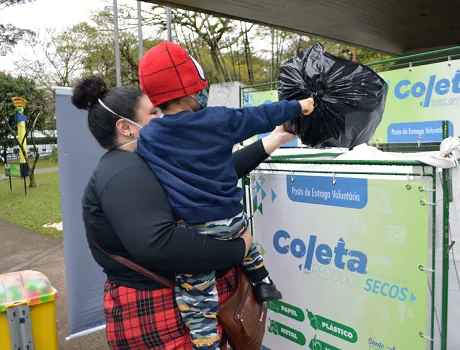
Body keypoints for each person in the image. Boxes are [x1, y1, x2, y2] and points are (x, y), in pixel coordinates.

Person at [72, 75, 298, 349]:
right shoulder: (122, 172)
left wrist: (271, 141)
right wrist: (239, 249)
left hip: (182, 301)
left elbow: (208, 181)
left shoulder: (145, 159)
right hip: (157, 312)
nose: (164, 116)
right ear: (126, 127)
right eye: (154, 112)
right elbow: (159, 244)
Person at [135, 42, 314, 350]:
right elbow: (261, 115)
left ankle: (206, 342)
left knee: (197, 293)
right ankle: (262, 279)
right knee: (244, 237)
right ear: (193, 90)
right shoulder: (218, 119)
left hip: (196, 230)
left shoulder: (150, 136)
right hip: (232, 217)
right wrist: (300, 105)